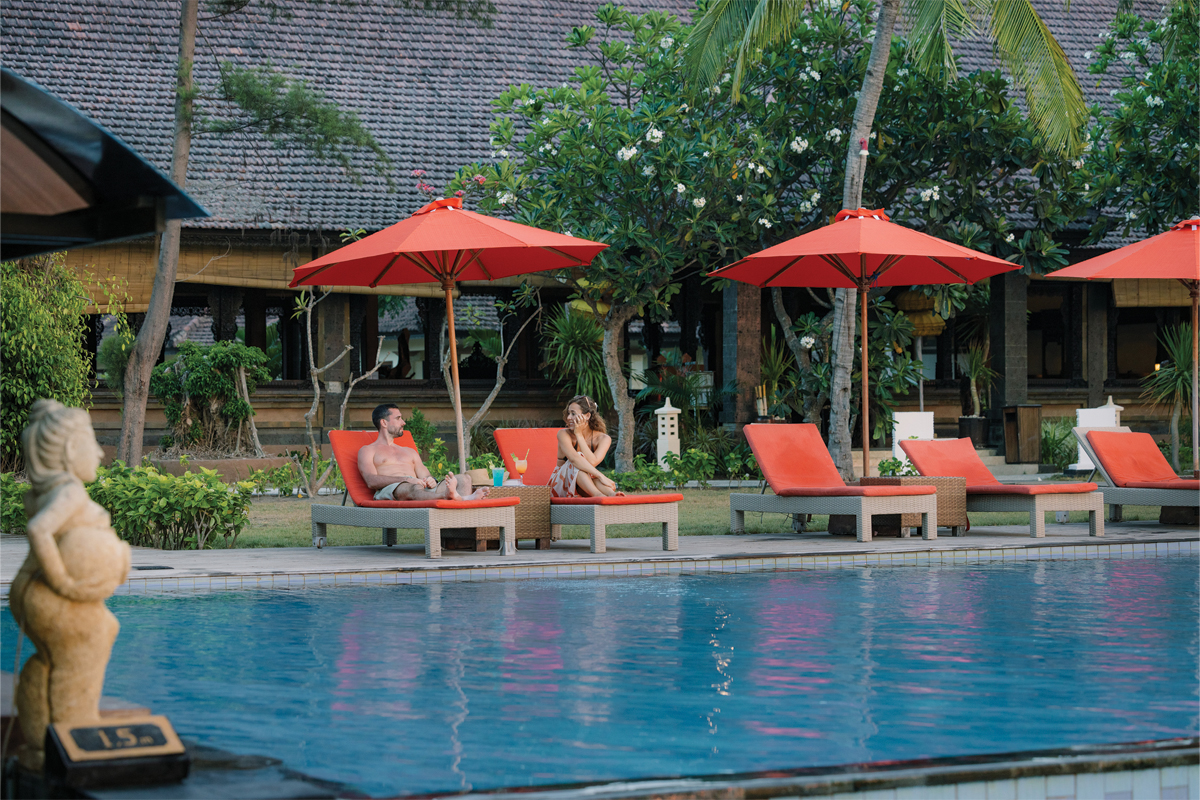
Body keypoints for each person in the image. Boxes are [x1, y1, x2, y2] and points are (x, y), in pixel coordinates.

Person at [358, 403, 489, 501]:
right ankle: (455, 497)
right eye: (398, 418)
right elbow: (371, 481)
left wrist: (431, 480)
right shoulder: (368, 450)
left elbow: (426, 476)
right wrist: (407, 479)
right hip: (392, 490)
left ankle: (458, 518)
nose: (403, 422)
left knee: (464, 479)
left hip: (420, 489)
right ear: (384, 423)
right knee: (414, 487)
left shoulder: (409, 451)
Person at [548, 395, 624, 498]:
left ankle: (611, 494)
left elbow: (592, 462)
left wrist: (579, 435)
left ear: (587, 416)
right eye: (568, 413)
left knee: (587, 472)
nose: (569, 417)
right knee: (577, 461)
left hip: (583, 484)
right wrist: (601, 476)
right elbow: (574, 459)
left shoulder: (603, 438)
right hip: (560, 486)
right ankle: (598, 495)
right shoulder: (563, 434)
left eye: (573, 414)